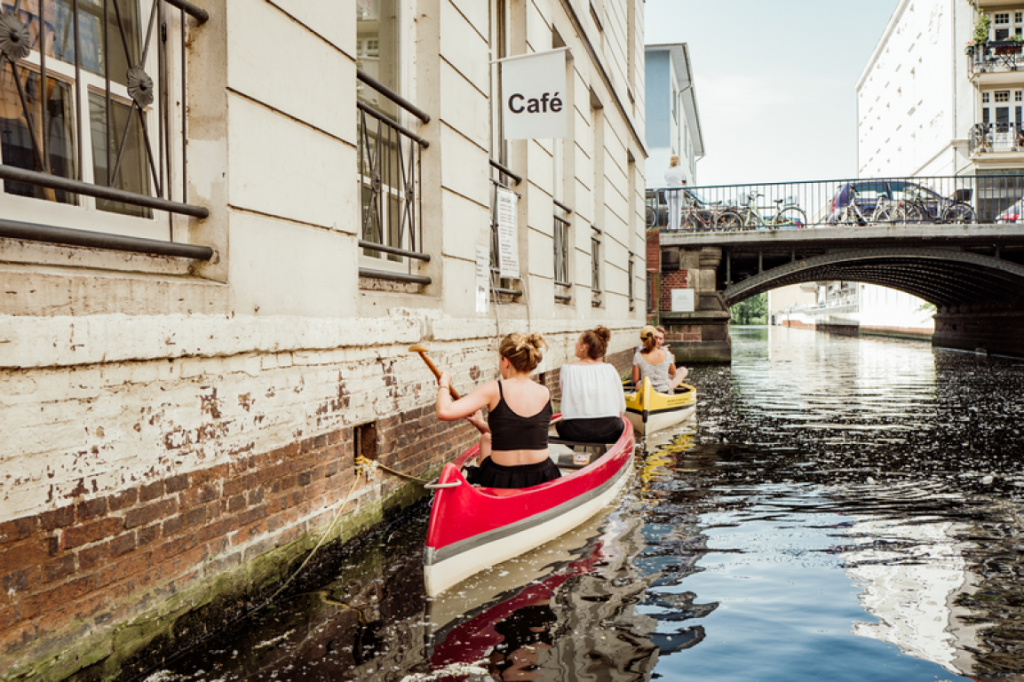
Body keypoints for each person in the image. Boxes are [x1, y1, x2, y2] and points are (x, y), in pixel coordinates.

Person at [435, 332, 559, 489]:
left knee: (486, 439)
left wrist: (444, 383)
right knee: (487, 436)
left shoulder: (495, 389)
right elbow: (516, 434)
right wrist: (480, 423)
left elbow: (444, 411)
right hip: (542, 475)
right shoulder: (545, 392)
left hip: (503, 478)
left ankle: (479, 479)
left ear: (505, 361)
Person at [555, 326, 626, 443]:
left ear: (584, 347)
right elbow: (621, 409)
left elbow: (567, 400)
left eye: (578, 341)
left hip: (575, 431)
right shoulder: (610, 369)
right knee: (620, 423)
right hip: (610, 429)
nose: (576, 344)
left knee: (560, 425)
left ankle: (575, 454)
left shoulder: (567, 369)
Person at [632, 325, 688, 393]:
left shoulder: (638, 355)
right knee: (669, 382)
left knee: (683, 370)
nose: (658, 340)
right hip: (648, 380)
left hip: (655, 384)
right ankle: (669, 390)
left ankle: (670, 387)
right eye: (656, 338)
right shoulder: (641, 351)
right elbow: (672, 372)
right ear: (653, 337)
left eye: (660, 338)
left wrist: (671, 362)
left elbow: (672, 372)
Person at [664, 154, 687, 231]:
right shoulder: (681, 169)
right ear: (677, 161)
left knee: (671, 211)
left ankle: (671, 228)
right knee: (677, 211)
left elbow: (666, 179)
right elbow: (682, 179)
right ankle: (676, 228)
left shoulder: (667, 170)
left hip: (669, 191)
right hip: (678, 190)